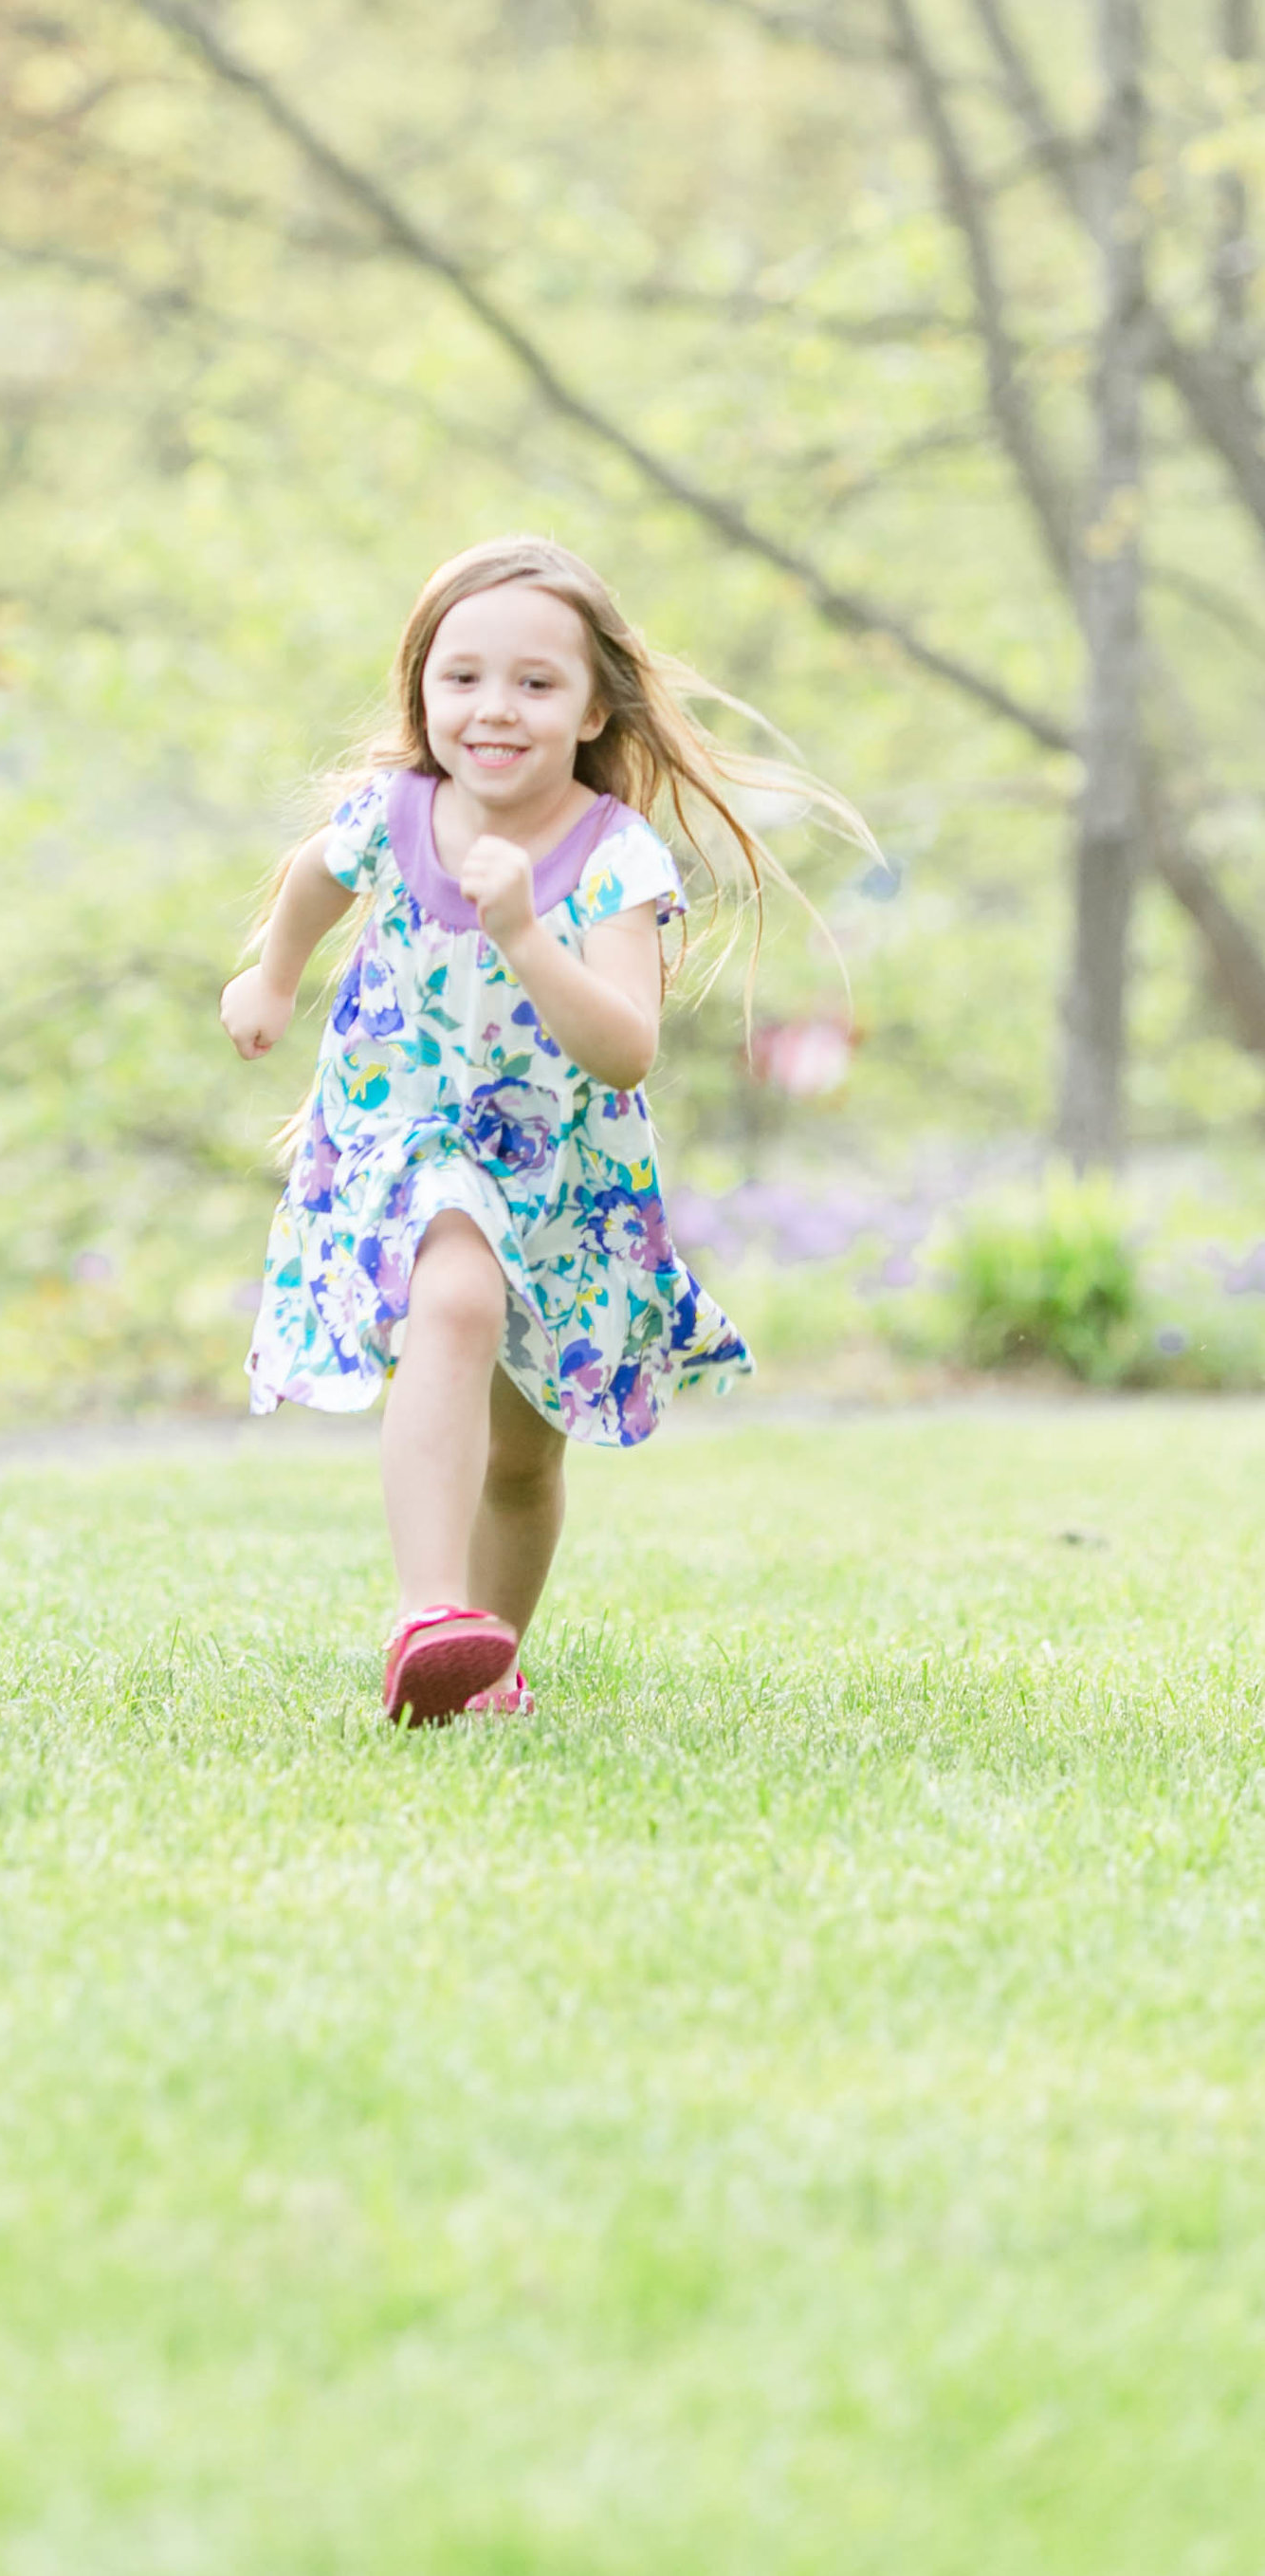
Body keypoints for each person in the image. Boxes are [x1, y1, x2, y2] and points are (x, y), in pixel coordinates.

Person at [220, 534, 861, 1729]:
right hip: (410, 1135)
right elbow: (315, 877)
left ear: (591, 706)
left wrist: (524, 931)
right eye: (460, 678)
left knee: (523, 1461)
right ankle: (428, 1612)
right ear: (420, 690)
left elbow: (624, 1046)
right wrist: (269, 977)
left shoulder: (614, 854)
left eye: (533, 683)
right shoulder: (393, 813)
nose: (492, 709)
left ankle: (484, 1663)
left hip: (560, 1175)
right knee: (450, 1302)